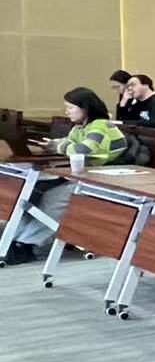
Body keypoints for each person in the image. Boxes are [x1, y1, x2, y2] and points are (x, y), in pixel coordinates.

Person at [11, 88, 129, 260]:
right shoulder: (80, 127)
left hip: (104, 179)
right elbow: (68, 142)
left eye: (70, 107)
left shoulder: (101, 125)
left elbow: (82, 149)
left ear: (85, 108)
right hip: (84, 174)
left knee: (54, 198)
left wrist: (57, 146)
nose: (67, 111)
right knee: (33, 192)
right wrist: (54, 144)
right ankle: (15, 238)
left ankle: (27, 243)